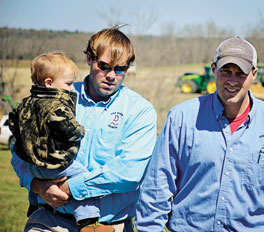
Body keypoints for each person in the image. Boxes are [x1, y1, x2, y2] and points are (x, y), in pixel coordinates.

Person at [135, 37, 264, 231]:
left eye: (241, 73)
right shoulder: (181, 118)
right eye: (226, 71)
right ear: (213, 69)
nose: (232, 80)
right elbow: (156, 190)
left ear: (254, 74)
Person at [11, 26, 157, 232]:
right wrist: (35, 184)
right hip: (51, 221)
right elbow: (21, 148)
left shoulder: (140, 110)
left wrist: (70, 188)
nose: (112, 76)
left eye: (120, 69)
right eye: (104, 66)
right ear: (89, 58)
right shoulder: (56, 96)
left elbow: (129, 172)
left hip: (110, 226)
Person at [9, 51, 115, 232]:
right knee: (83, 176)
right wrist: (80, 131)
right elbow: (68, 128)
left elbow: (14, 122)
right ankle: (89, 222)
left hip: (33, 167)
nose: (73, 88)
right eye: (68, 83)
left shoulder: (26, 102)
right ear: (49, 83)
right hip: (55, 163)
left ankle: (34, 205)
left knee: (39, 186)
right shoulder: (56, 105)